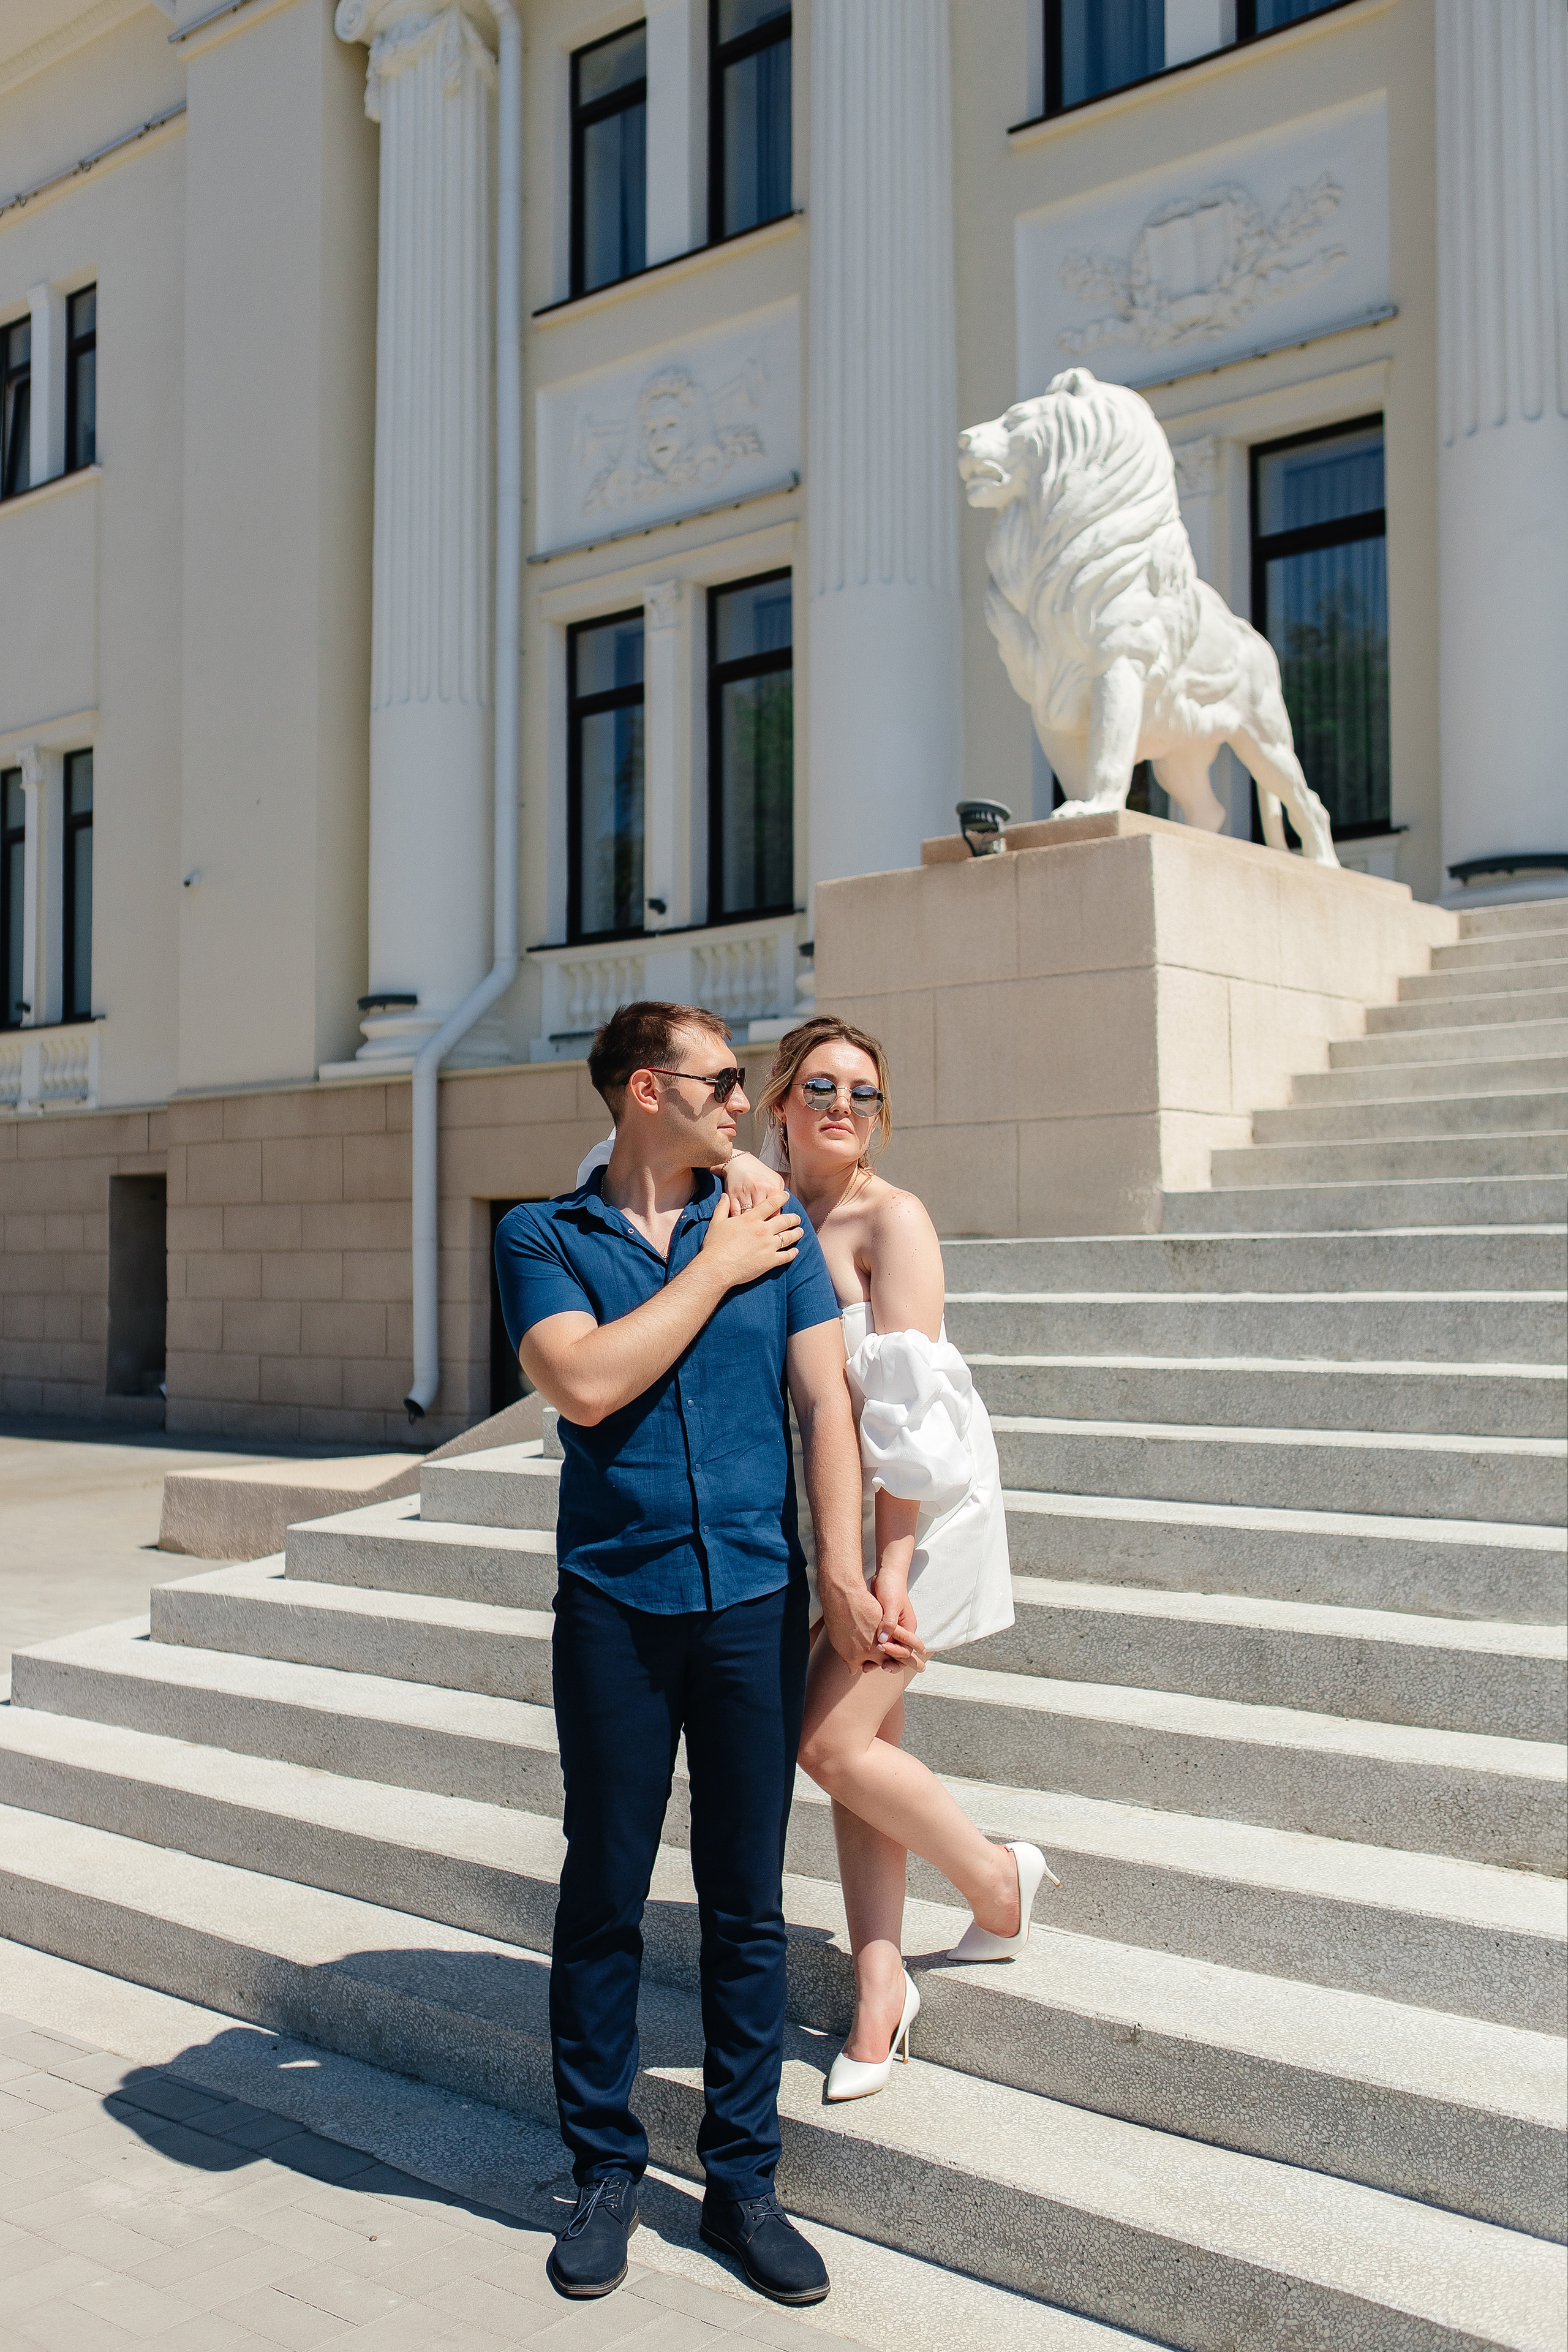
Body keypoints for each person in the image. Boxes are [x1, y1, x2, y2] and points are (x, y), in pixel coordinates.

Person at [494, 1001, 902, 2310]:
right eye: (720, 1080)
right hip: (613, 1604)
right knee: (603, 1887)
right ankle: (605, 2169)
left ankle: (742, 2178)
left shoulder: (771, 1224)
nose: (746, 1098)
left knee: (743, 1900)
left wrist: (837, 1567)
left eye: (743, 1082)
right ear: (638, 1091)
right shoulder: (541, 1236)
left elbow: (826, 1408)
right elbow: (587, 1384)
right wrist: (707, 1272)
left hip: (750, 1600)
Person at [757, 1017, 1057, 2102]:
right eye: (824, 1086)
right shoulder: (770, 1214)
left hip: (917, 1515)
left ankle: (995, 1881)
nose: (845, 1106)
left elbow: (908, 1423)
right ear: (781, 1097)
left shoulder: (896, 1219)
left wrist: (885, 1572)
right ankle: (881, 1987)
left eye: (866, 1094)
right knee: (861, 1751)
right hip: (831, 1517)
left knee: (830, 1745)